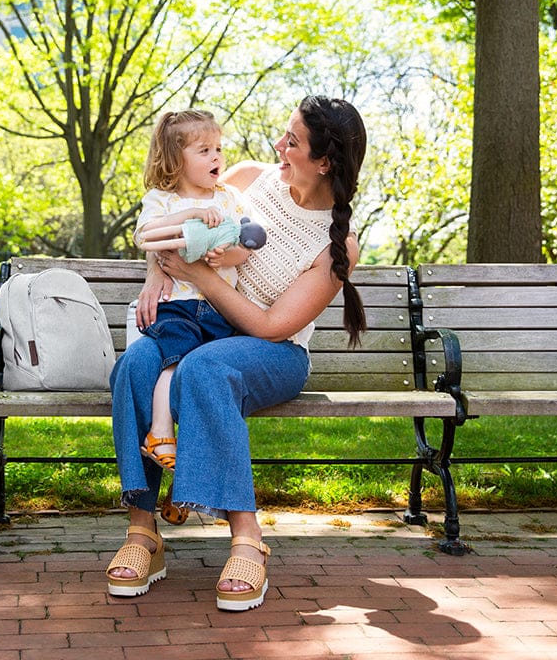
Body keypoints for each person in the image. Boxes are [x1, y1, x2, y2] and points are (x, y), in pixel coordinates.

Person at [105, 95, 368, 612]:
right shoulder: (246, 180)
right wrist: (157, 276)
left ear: (324, 162)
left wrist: (198, 274)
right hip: (201, 327)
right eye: (284, 133)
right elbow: (172, 234)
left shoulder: (338, 245)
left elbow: (272, 325)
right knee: (134, 364)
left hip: (274, 352)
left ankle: (248, 539)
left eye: (292, 141)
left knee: (206, 367)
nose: (278, 145)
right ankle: (143, 533)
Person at [130, 109, 259, 474]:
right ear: (175, 159)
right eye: (203, 150)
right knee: (176, 362)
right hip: (178, 306)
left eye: (218, 148)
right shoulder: (162, 199)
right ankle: (159, 433)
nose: (216, 156)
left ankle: (187, 465)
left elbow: (245, 245)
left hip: (219, 307)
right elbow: (145, 236)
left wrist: (223, 256)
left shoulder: (230, 197)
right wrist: (193, 215)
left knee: (206, 381)